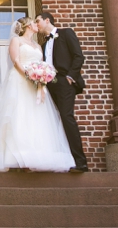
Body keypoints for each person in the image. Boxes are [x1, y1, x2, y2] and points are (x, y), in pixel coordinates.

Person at [0, 16, 75, 172]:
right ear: (27, 25)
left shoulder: (38, 46)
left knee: (36, 117)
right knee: (18, 115)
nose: (37, 25)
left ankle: (34, 156)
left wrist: (41, 78)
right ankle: (13, 157)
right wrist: (29, 75)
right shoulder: (16, 41)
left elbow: (42, 64)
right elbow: (16, 61)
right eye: (34, 22)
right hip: (20, 81)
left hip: (36, 85)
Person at [36, 11, 89, 172]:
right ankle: (62, 160)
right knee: (53, 121)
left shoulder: (66, 34)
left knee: (67, 117)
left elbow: (78, 56)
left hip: (65, 83)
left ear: (47, 20)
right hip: (50, 85)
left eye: (38, 21)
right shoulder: (44, 45)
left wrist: (70, 77)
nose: (37, 25)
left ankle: (81, 163)